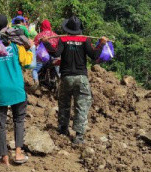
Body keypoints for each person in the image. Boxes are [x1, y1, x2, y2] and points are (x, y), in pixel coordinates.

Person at [45, 16, 108, 145]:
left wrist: (46, 42)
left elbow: (55, 53)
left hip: (66, 77)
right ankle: (79, 136)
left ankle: (63, 129)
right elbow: (94, 56)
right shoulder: (85, 40)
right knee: (81, 106)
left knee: (64, 103)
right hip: (81, 78)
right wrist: (101, 44)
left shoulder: (63, 39)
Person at [0, 14, 33, 166]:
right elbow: (27, 62)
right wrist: (31, 49)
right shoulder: (15, 44)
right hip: (16, 88)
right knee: (19, 120)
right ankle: (18, 153)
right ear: (7, 26)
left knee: (0, 124)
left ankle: (4, 157)